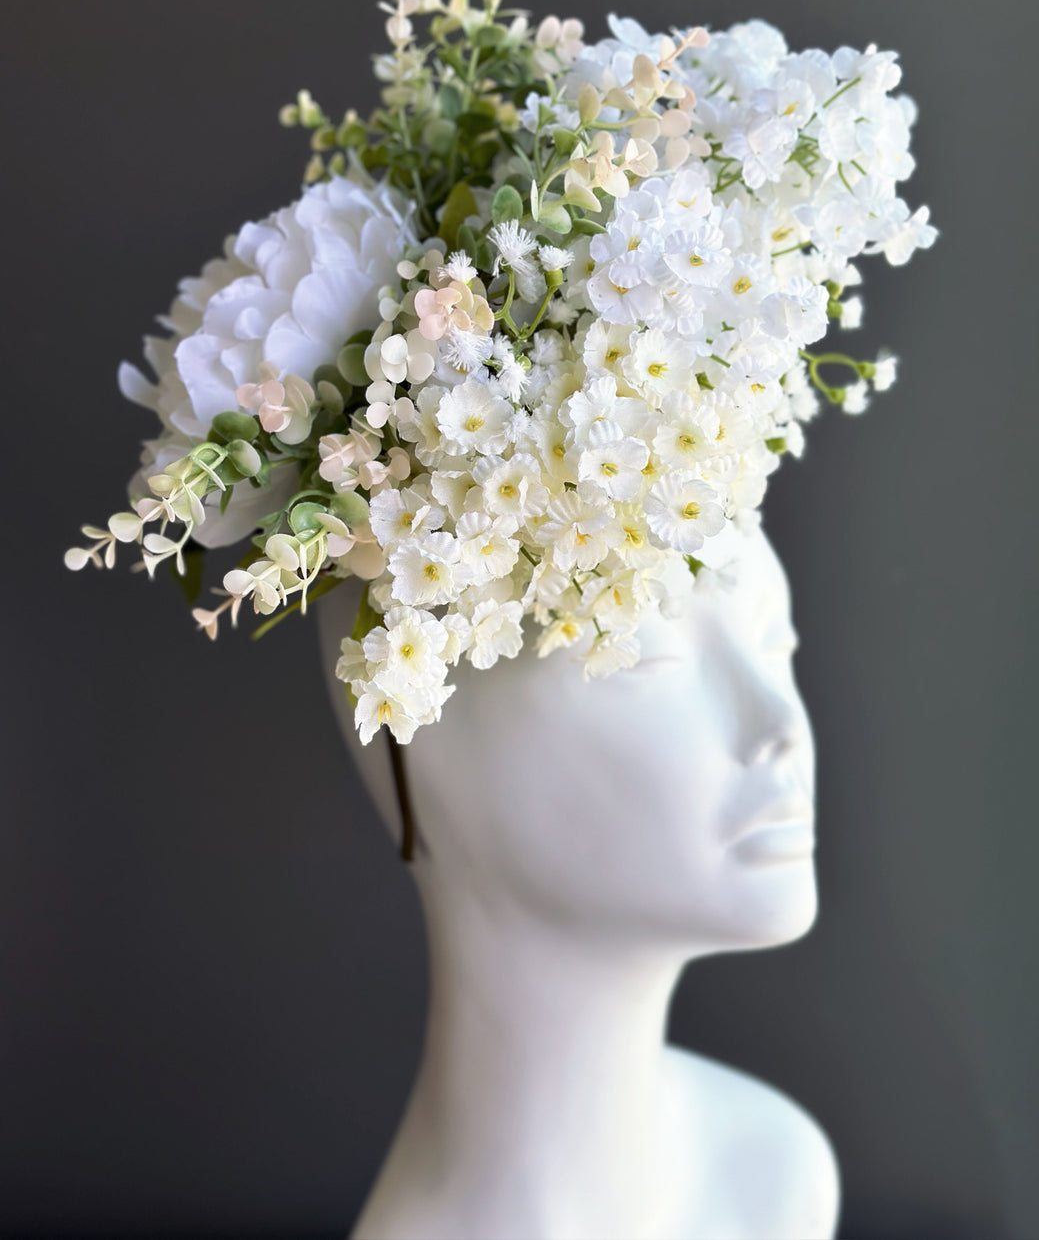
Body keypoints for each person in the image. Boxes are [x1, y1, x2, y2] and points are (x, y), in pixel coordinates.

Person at [318, 525, 840, 1240]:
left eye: (775, 642)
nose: (780, 724)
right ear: (426, 743)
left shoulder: (774, 1176)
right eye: (642, 655)